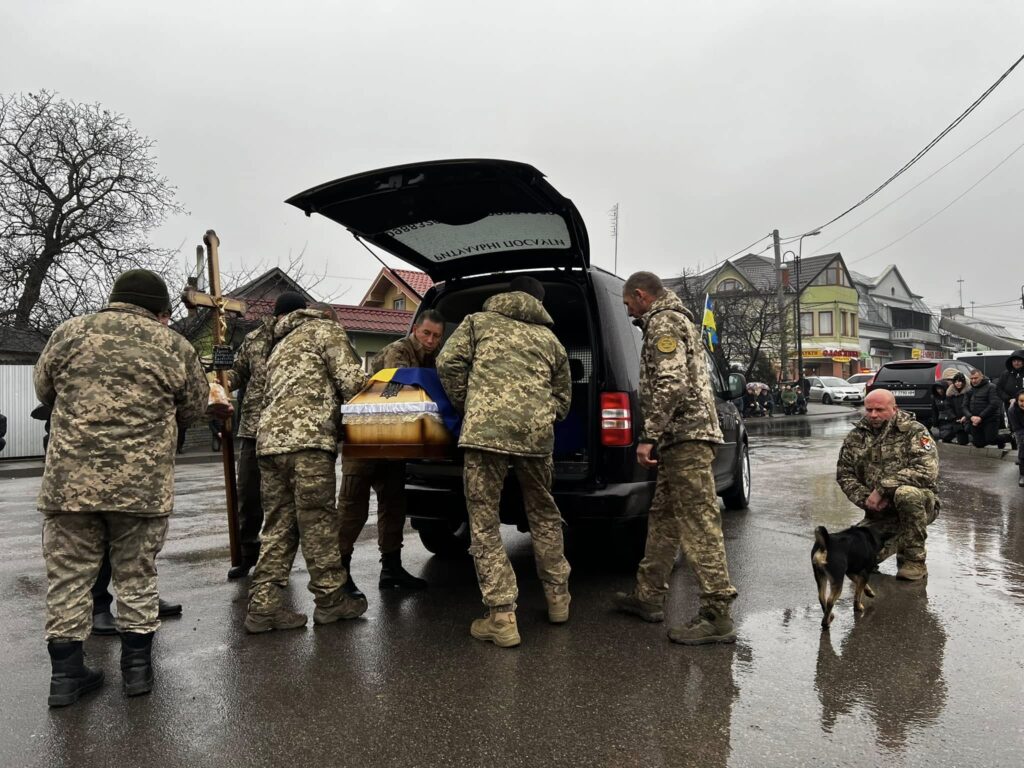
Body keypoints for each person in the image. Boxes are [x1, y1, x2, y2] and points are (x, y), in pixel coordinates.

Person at [35, 269, 222, 707]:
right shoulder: (174, 344)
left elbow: (45, 391)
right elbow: (195, 406)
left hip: (69, 487)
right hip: (140, 489)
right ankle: (137, 672)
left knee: (68, 580)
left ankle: (65, 677)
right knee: (137, 577)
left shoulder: (69, 333)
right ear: (162, 312)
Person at [436, 276, 572, 648]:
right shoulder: (551, 340)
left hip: (485, 435)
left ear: (506, 295)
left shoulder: (478, 323)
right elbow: (563, 398)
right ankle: (558, 598)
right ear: (539, 302)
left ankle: (501, 617)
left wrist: (470, 404)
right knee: (544, 513)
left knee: (483, 521)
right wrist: (542, 415)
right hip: (536, 439)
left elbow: (447, 362)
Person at [613, 271, 738, 646]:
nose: (627, 311)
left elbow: (671, 383)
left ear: (640, 296)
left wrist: (648, 435)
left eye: (627, 303)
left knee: (698, 522)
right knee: (664, 517)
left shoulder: (664, 322)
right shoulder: (674, 318)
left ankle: (718, 615)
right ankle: (648, 596)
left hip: (686, 437)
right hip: (680, 438)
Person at [245, 298, 369, 633]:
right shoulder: (326, 330)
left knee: (277, 527)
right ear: (326, 315)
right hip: (308, 442)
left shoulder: (280, 344)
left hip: (269, 445)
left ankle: (263, 607)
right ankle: (331, 602)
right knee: (318, 523)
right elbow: (352, 384)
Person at [337, 309, 445, 595]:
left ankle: (391, 568)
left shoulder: (430, 358)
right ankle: (338, 574)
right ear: (415, 331)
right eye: (426, 333)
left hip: (395, 440)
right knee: (352, 508)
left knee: (394, 502)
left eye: (436, 336)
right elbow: (404, 387)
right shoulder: (399, 350)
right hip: (367, 437)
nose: (431, 340)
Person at [836, 389, 939, 581]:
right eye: (869, 409)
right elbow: (844, 474)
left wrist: (881, 489)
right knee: (851, 558)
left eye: (879, 410)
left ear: (894, 408)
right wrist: (867, 499)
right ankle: (880, 553)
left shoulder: (914, 431)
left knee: (906, 494)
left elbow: (926, 471)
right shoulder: (856, 436)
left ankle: (913, 560)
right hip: (879, 510)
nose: (873, 415)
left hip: (918, 504)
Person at [223, 310, 278, 579]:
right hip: (252, 429)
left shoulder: (301, 338)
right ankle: (247, 554)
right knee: (248, 495)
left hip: (284, 430)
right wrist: (223, 380)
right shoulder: (255, 339)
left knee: (280, 500)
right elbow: (238, 372)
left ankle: (276, 558)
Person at [964, 368, 1005, 449]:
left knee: (991, 440)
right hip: (974, 420)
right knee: (978, 444)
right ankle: (985, 439)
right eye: (971, 378)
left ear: (981, 377)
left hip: (990, 418)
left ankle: (1009, 438)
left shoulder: (991, 387)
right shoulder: (970, 390)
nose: (973, 380)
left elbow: (994, 404)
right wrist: (971, 417)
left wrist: (981, 417)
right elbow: (964, 406)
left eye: (976, 378)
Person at [939, 371, 970, 445]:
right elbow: (948, 407)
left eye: (959, 381)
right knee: (961, 441)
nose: (957, 383)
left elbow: (971, 405)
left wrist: (966, 416)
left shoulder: (969, 392)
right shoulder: (950, 393)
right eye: (955, 382)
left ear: (963, 382)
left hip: (967, 417)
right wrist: (954, 417)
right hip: (955, 419)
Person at [1008, 390, 1024, 487]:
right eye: (1021, 401)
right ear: (1017, 401)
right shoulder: (1012, 410)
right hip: (1020, 430)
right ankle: (1022, 474)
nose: (1023, 403)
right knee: (1022, 447)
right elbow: (1017, 428)